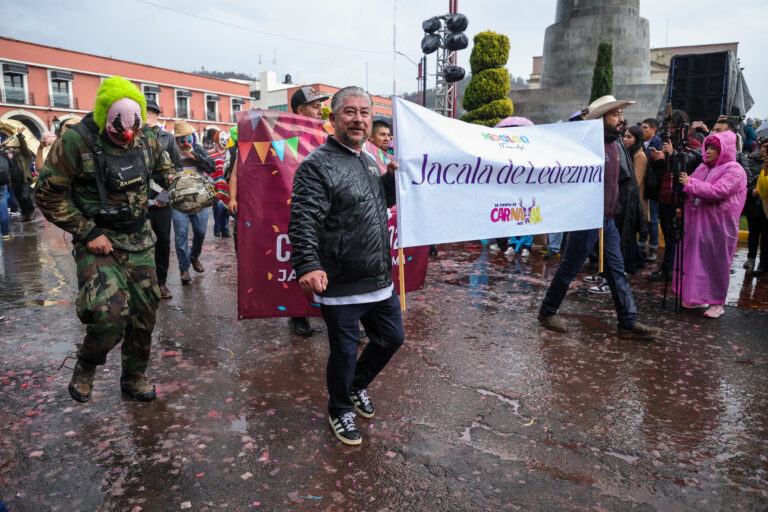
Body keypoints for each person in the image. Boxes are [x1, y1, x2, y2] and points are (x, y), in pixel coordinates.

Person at [34, 76, 174, 402]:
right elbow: (47, 194)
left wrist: (182, 185)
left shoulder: (148, 138)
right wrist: (87, 231)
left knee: (143, 317)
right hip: (98, 241)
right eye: (118, 133)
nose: (127, 140)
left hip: (139, 240)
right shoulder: (75, 141)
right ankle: (86, 364)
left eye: (133, 133)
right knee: (108, 315)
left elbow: (164, 172)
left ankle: (133, 378)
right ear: (103, 119)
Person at [289, 86, 402, 446]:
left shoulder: (370, 157)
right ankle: (340, 409)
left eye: (364, 112)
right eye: (350, 112)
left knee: (391, 338)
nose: (358, 119)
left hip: (377, 276)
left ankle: (356, 386)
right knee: (344, 351)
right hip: (340, 280)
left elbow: (378, 201)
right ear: (334, 117)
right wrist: (307, 263)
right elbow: (303, 218)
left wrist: (391, 179)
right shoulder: (316, 165)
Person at [538, 95, 657, 339]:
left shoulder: (615, 144)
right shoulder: (586, 144)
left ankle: (627, 321)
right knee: (570, 267)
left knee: (616, 270)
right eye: (615, 115)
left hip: (607, 219)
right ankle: (548, 311)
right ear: (600, 118)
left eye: (621, 114)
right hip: (587, 218)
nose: (621, 119)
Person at [674, 130, 746, 317]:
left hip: (719, 226)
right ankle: (695, 297)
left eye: (714, 148)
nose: (708, 151)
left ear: (725, 150)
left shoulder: (734, 169)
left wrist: (690, 184)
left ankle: (717, 302)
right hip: (698, 223)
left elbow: (719, 191)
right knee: (696, 260)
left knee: (716, 263)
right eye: (707, 147)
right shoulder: (704, 168)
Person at [286, 86, 330, 337]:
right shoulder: (282, 136)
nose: (320, 110)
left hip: (324, 210)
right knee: (298, 261)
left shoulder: (326, 136)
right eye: (315, 106)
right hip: (293, 209)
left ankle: (334, 315)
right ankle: (297, 314)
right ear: (301, 110)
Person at [647, 110, 701, 282]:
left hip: (680, 196)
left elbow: (691, 167)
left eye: (673, 127)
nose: (670, 130)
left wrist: (671, 155)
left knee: (676, 234)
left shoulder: (692, 143)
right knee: (668, 232)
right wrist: (659, 158)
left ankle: (673, 268)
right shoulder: (669, 141)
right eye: (668, 126)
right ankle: (667, 266)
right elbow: (665, 169)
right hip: (665, 194)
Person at [144, 99, 181, 299]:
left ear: (158, 115)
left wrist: (166, 195)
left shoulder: (168, 138)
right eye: (144, 112)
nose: (148, 116)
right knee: (141, 243)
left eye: (152, 112)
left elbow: (177, 168)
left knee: (163, 242)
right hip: (138, 200)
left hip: (161, 199)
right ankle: (143, 283)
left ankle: (161, 282)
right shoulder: (134, 137)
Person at [172, 119, 214, 284]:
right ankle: (184, 269)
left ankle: (194, 256)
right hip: (179, 200)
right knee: (181, 233)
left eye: (188, 138)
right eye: (182, 138)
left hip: (199, 198)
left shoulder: (198, 150)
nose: (185, 142)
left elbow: (212, 167)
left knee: (201, 231)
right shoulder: (171, 152)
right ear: (176, 140)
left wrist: (196, 158)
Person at [623, 125, 649, 259]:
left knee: (631, 234)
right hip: (629, 200)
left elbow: (636, 181)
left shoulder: (640, 156)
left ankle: (635, 260)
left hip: (635, 201)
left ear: (637, 138)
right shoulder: (629, 153)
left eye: (629, 137)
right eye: (625, 136)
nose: (625, 139)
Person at [745, 138, 768, 275]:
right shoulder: (752, 161)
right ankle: (751, 258)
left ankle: (764, 263)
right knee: (753, 233)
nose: (766, 150)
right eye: (765, 147)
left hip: (766, 205)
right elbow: (747, 180)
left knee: (766, 236)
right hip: (754, 205)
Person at [4, 127, 36, 221]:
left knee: (25, 196)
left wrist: (19, 135)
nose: (14, 149)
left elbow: (23, 146)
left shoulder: (25, 155)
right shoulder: (9, 157)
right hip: (14, 180)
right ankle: (25, 213)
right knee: (20, 198)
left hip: (25, 179)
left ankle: (30, 211)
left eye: (16, 147)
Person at [207, 129, 232, 238]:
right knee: (218, 207)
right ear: (217, 140)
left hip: (227, 183)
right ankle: (217, 228)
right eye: (222, 139)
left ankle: (224, 229)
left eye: (226, 139)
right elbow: (206, 167)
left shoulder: (230, 153)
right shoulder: (210, 153)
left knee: (226, 207)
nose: (225, 141)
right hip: (215, 183)